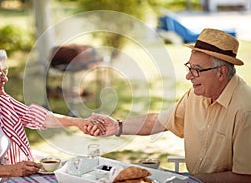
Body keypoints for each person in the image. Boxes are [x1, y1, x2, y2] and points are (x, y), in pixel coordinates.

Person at [87, 28, 251, 182]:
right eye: (189, 67)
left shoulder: (245, 110)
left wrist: (191, 180)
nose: (188, 76)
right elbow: (159, 121)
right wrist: (117, 126)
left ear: (221, 72)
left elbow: (245, 177)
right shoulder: (197, 94)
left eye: (196, 70)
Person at [0, 44, 104, 183]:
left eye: (4, 72)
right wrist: (12, 169)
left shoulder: (1, 100)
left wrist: (77, 122)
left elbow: (36, 117)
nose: (5, 78)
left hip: (11, 178)